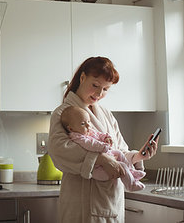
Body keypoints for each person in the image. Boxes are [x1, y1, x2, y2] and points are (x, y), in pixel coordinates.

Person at [48, 56, 159, 223]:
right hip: (81, 203)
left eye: (106, 89)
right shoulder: (63, 113)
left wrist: (138, 156)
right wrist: (100, 159)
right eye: (95, 85)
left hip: (110, 202)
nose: (99, 94)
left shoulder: (106, 114)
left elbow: (120, 151)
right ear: (83, 78)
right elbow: (59, 150)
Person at [60, 106, 146, 191]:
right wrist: (104, 147)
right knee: (122, 166)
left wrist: (106, 138)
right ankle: (131, 185)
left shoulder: (103, 115)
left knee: (119, 153)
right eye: (83, 124)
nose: (88, 126)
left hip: (113, 194)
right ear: (71, 128)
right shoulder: (77, 136)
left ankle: (132, 172)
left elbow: (100, 135)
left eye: (89, 122)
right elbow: (90, 144)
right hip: (97, 169)